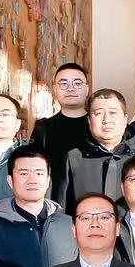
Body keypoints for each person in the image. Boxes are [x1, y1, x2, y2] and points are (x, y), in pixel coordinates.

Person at [0, 146, 75, 267]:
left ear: (48, 180)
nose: (32, 180)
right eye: (24, 174)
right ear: (10, 181)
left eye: (39, 173)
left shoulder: (68, 223)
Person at [60, 89, 135, 206]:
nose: (106, 120)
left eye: (113, 113)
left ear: (125, 119)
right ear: (89, 120)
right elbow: (61, 207)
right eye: (98, 114)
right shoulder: (73, 158)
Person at [35, 63, 94, 195]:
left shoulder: (99, 125)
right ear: (55, 89)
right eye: (64, 84)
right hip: (55, 200)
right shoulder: (43, 129)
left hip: (93, 199)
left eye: (77, 83)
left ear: (87, 89)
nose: (70, 89)